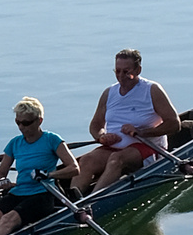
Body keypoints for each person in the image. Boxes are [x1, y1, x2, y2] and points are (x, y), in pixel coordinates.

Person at [0, 97, 79, 235]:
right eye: (18, 122)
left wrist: (48, 174)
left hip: (44, 194)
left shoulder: (52, 140)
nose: (21, 127)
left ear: (39, 121)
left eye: (26, 123)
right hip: (19, 192)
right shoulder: (15, 143)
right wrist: (0, 181)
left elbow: (74, 168)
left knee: (7, 219)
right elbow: (0, 173)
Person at [71, 48, 181, 196]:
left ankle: (92, 202)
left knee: (116, 160)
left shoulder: (152, 90)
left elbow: (174, 124)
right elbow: (96, 125)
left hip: (147, 147)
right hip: (114, 148)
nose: (121, 76)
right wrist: (101, 137)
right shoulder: (109, 93)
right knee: (86, 160)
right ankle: (72, 200)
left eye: (126, 71)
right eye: (117, 71)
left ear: (138, 70)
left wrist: (141, 132)